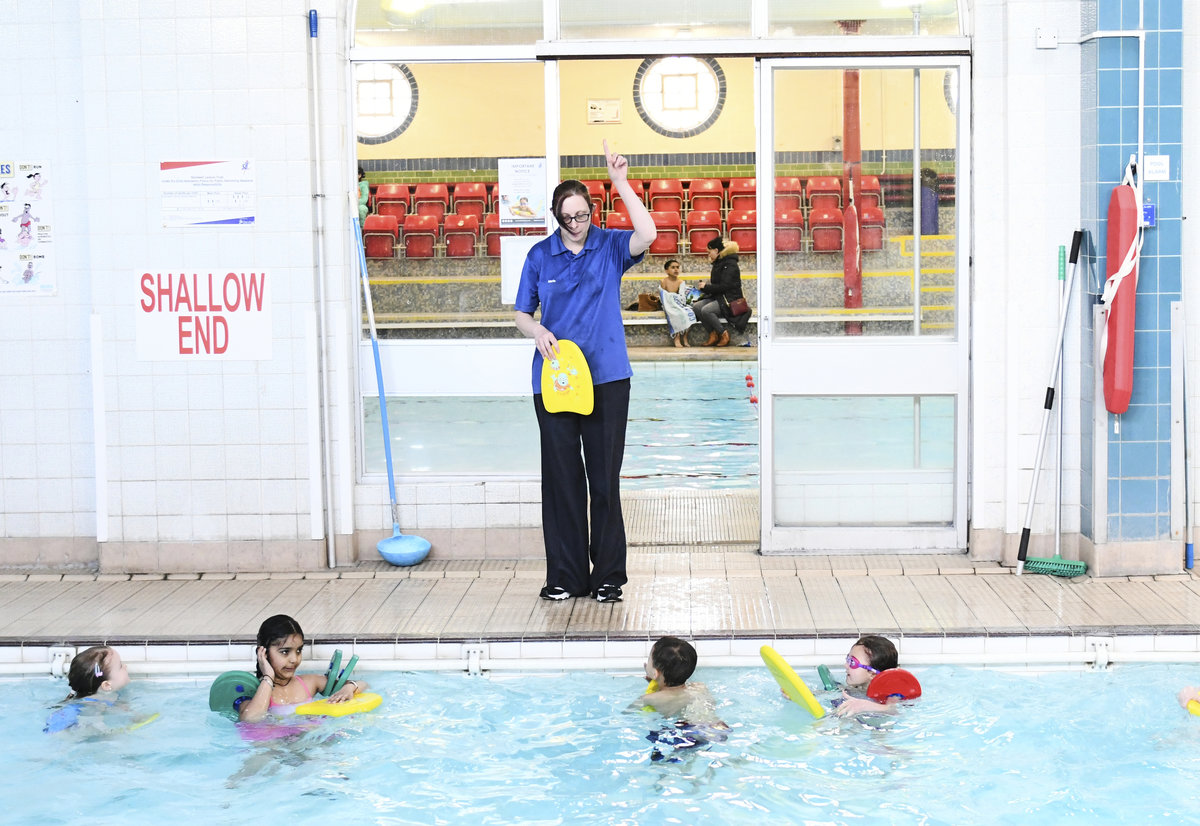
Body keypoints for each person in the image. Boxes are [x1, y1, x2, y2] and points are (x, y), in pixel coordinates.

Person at [514, 139, 656, 604]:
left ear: (592, 211)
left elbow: (649, 233)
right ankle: (566, 577)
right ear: (557, 218)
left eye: (583, 216)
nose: (576, 225)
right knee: (561, 479)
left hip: (608, 377)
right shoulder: (540, 256)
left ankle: (609, 576)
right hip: (554, 381)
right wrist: (535, 331)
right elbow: (521, 313)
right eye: (568, 218)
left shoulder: (611, 245)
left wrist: (621, 183)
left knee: (603, 479)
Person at [237, 614, 368, 722]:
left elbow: (365, 685)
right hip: (275, 750)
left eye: (298, 650)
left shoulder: (309, 683)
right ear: (263, 652)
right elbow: (251, 719)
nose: (294, 659)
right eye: (285, 652)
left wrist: (349, 687)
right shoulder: (253, 690)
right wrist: (268, 678)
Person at [633, 636, 729, 761]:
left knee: (661, 764)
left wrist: (653, 688)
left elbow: (629, 713)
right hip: (717, 729)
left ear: (655, 673)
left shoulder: (649, 699)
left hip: (687, 735)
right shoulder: (699, 687)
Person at [43, 645, 135, 733]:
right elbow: (94, 725)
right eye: (120, 666)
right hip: (61, 730)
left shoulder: (98, 697)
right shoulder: (92, 705)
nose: (125, 666)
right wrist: (111, 733)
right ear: (106, 685)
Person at [692, 236, 749, 347]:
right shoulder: (719, 263)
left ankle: (723, 334)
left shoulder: (730, 265)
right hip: (720, 297)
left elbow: (725, 286)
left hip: (730, 299)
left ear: (716, 251)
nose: (708, 255)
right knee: (697, 307)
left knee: (706, 310)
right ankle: (713, 335)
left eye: (709, 252)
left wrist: (706, 287)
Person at [833, 634, 901, 717]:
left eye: (852, 662)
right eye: (848, 659)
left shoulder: (890, 693)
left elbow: (895, 710)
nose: (846, 665)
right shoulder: (857, 687)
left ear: (872, 674)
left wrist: (865, 706)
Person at [658, 258, 695, 347]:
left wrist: (675, 299)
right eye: (673, 267)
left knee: (689, 312)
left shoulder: (681, 282)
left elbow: (682, 297)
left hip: (678, 304)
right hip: (668, 304)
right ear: (667, 270)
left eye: (677, 267)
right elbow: (664, 296)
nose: (676, 269)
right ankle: (677, 337)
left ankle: (685, 336)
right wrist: (671, 299)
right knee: (676, 313)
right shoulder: (664, 281)